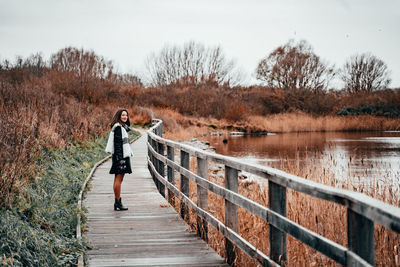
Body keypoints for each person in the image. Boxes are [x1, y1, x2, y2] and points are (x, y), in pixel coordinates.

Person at [105, 109, 134, 211]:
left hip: (121, 156)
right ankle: (117, 202)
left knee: (119, 179)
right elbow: (117, 144)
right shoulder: (118, 128)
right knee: (118, 179)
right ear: (119, 116)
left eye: (126, 115)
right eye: (122, 115)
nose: (125, 117)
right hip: (120, 157)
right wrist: (119, 159)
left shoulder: (121, 127)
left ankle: (117, 202)